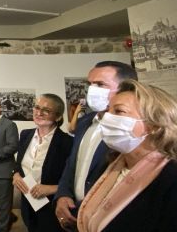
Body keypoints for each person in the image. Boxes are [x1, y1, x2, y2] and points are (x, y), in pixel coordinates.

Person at [76, 80, 177, 231]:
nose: (106, 118)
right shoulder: (111, 167)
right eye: (107, 111)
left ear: (154, 125)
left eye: (119, 111)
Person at [54, 61, 137, 230]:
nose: (92, 90)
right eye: (90, 84)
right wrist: (62, 194)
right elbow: (73, 163)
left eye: (100, 84)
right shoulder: (84, 122)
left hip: (111, 217)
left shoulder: (129, 128)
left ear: (126, 89)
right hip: (76, 212)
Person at [13, 93, 73, 231]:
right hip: (28, 201)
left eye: (46, 110)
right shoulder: (25, 134)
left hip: (52, 205)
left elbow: (74, 179)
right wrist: (15, 174)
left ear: (58, 117)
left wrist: (51, 188)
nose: (39, 113)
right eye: (37, 107)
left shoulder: (67, 142)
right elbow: (18, 163)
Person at [0, 95, 19, 232]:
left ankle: (2, 228)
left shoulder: (9, 125)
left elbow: (13, 146)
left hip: (3, 171)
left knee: (4, 203)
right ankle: (9, 216)